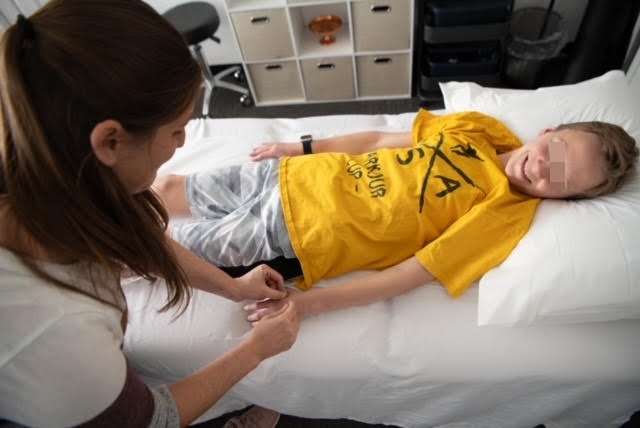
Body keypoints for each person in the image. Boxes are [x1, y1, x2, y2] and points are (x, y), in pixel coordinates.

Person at [0, 1, 298, 427]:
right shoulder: (51, 328)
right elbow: (147, 420)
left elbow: (138, 235)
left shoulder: (60, 170)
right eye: (176, 130)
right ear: (110, 141)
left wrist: (233, 287)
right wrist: (255, 350)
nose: (182, 142)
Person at [155, 109, 638, 327]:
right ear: (549, 131)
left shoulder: (504, 216)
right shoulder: (480, 129)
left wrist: (309, 306)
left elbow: (412, 274)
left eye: (562, 180)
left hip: (299, 234)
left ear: (566, 200)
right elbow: (381, 141)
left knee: (157, 251)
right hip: (293, 175)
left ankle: (85, 252)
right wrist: (298, 147)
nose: (542, 170)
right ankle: (83, 199)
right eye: (554, 152)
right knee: (165, 191)